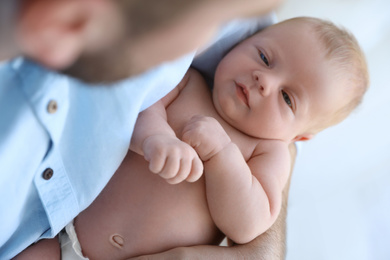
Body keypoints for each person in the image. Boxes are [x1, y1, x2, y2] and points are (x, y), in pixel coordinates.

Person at [18, 16, 369, 259]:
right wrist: (155, 139)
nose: (265, 80)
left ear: (301, 137)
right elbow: (141, 110)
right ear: (246, 38)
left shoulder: (269, 153)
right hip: (65, 235)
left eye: (288, 98)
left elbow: (247, 226)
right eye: (264, 56)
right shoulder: (188, 83)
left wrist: (223, 155)